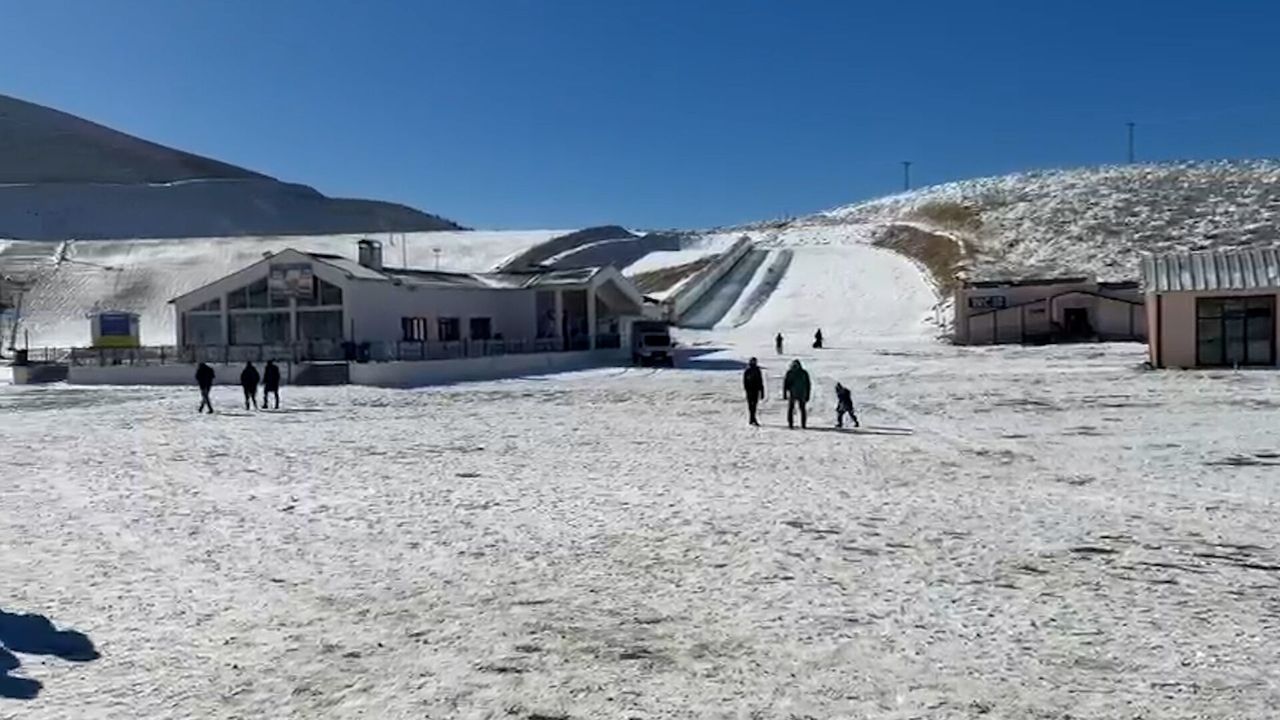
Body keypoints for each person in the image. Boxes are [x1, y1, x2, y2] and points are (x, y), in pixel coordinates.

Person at [782, 359, 811, 429]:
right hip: (793, 393)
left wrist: (807, 395)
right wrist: (785, 393)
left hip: (801, 393)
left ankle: (803, 424)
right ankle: (790, 423)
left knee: (802, 409)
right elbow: (785, 384)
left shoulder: (803, 373)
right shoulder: (790, 373)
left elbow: (808, 385)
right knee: (791, 409)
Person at [742, 357, 765, 427]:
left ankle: (752, 418)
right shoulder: (748, 370)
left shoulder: (757, 370)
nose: (754, 363)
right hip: (750, 390)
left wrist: (762, 391)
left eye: (754, 361)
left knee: (754, 405)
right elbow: (745, 381)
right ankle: (752, 418)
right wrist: (746, 389)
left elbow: (760, 381)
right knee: (750, 405)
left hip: (756, 390)